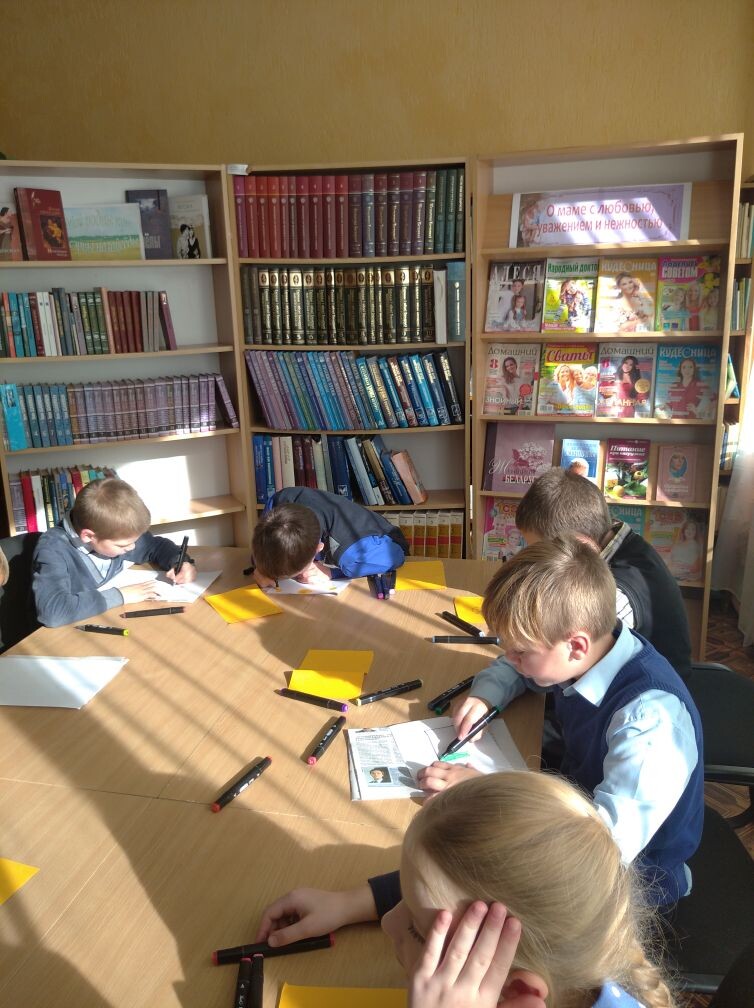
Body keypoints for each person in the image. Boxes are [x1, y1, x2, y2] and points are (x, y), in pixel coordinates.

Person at [419, 536, 703, 909]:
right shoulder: (593, 648)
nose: (510, 658)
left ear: (576, 646)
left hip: (627, 882)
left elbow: (597, 852)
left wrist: (491, 792)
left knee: (461, 881)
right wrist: (487, 694)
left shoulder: (648, 726)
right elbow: (520, 665)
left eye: (519, 652)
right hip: (574, 809)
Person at [257, 772, 677, 1008]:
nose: (388, 923)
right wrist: (352, 902)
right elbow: (441, 882)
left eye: (418, 930)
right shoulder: (573, 949)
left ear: (513, 992)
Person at [501, 467, 692, 681]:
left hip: (638, 690)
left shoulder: (616, 595)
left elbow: (555, 659)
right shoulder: (615, 537)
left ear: (579, 544)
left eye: (540, 551)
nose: (535, 561)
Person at [31, 477, 197, 628]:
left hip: (109, 618)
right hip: (72, 632)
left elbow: (155, 546)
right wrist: (120, 595)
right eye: (123, 545)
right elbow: (53, 612)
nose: (132, 547)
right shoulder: (53, 550)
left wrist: (180, 561)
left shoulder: (114, 532)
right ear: (88, 536)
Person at [249, 486, 409, 588]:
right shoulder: (276, 504)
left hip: (382, 540)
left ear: (318, 549)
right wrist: (261, 568)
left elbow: (398, 554)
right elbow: (264, 545)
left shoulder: (353, 557)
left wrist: (330, 573)